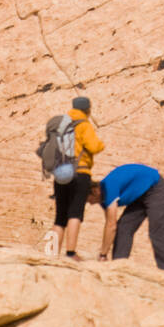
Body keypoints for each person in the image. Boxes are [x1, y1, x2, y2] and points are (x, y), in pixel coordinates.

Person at [88, 163, 164, 272]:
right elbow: (109, 226)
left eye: (88, 199)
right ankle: (118, 265)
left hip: (155, 188)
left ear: (95, 191)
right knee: (123, 227)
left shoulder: (109, 188)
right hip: (139, 195)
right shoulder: (103, 199)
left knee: (157, 229)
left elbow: (111, 226)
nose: (90, 204)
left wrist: (103, 255)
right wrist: (103, 254)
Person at [51, 96, 104, 260]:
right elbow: (93, 146)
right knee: (75, 213)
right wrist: (101, 145)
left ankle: (51, 254)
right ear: (87, 109)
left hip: (60, 173)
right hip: (79, 173)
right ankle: (70, 253)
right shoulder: (84, 125)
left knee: (60, 217)